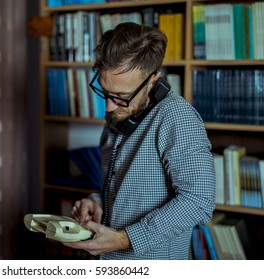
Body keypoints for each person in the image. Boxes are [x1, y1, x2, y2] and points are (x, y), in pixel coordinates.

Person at [62, 22, 216, 260]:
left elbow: (198, 201)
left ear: (153, 80)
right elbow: (120, 190)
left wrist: (124, 239)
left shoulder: (178, 119)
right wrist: (95, 202)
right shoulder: (119, 113)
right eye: (105, 92)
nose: (109, 106)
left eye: (121, 97)